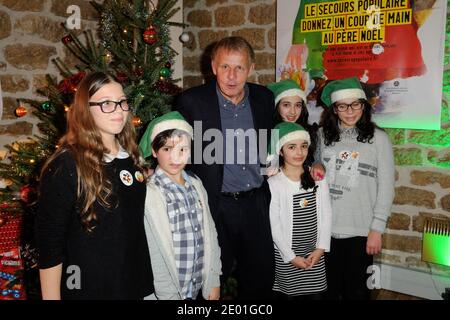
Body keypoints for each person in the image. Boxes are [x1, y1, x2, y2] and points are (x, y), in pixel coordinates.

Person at [36, 71, 154, 299]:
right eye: (107, 103)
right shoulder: (66, 165)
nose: (119, 110)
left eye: (122, 102)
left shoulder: (129, 156)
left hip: (134, 284)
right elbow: (50, 244)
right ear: (84, 110)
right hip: (88, 287)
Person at [175, 36, 275, 299]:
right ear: (213, 67)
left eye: (239, 68)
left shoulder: (264, 99)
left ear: (251, 68)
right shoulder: (191, 102)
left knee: (259, 277)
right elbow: (172, 146)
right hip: (214, 206)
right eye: (224, 67)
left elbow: (276, 140)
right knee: (210, 281)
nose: (231, 76)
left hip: (256, 205)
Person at [317, 77, 395, 300]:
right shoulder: (322, 136)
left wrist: (376, 229)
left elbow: (387, 186)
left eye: (355, 104)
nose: (350, 111)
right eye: (342, 106)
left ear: (364, 105)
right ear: (334, 109)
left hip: (361, 232)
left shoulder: (379, 139)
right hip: (326, 231)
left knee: (358, 293)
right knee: (328, 292)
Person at [138, 111, 221, 300]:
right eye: (167, 149)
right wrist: (168, 295)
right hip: (167, 293)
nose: (175, 157)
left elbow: (211, 234)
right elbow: (153, 253)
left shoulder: (197, 185)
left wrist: (214, 280)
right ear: (154, 151)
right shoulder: (150, 193)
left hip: (196, 288)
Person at [267, 122, 331, 300]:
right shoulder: (275, 183)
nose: (299, 152)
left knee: (315, 296)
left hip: (314, 254)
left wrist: (320, 249)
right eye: (292, 147)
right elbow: (275, 225)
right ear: (280, 151)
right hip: (287, 255)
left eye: (303, 146)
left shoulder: (317, 178)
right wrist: (291, 256)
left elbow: (326, 215)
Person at [267, 79, 324, 177]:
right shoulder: (266, 133)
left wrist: (318, 166)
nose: (293, 112)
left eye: (298, 105)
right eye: (286, 105)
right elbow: (265, 170)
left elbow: (317, 161)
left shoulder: (312, 132)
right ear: (277, 106)